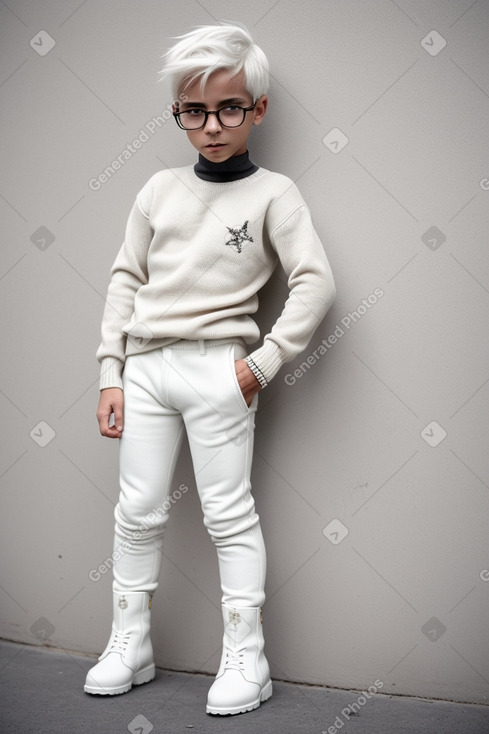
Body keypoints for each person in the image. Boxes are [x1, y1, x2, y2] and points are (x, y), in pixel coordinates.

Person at [84, 22, 336, 716]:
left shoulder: (274, 194)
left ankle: (245, 656)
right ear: (178, 114)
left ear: (257, 109)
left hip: (220, 373)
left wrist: (260, 365)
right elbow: (123, 280)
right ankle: (129, 644)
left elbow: (314, 282)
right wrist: (112, 373)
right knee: (135, 512)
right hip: (145, 371)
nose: (211, 125)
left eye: (229, 108)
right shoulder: (158, 188)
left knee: (228, 514)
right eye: (193, 111)